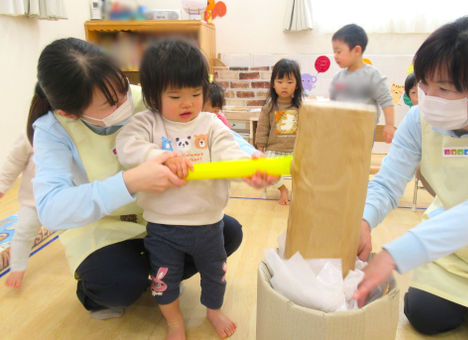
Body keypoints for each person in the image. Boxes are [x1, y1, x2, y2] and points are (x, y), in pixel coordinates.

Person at [28, 38, 262, 320]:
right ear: (69, 113)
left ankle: (161, 278)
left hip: (164, 216)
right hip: (104, 230)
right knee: (116, 284)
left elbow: (214, 132)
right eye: (110, 102)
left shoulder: (153, 95)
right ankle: (125, 284)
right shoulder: (52, 129)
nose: (125, 102)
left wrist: (252, 162)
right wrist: (130, 182)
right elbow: (51, 209)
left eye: (124, 87)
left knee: (228, 232)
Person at [354, 16, 468, 339]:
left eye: (444, 89)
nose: (427, 97)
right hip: (452, 251)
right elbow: (388, 180)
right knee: (424, 313)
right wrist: (364, 221)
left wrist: (396, 253)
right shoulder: (418, 120)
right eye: (424, 84)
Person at [115, 38, 276, 340]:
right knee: (164, 281)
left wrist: (248, 170)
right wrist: (159, 157)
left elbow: (230, 151)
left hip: (208, 226)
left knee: (216, 276)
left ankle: (213, 311)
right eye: (175, 96)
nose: (187, 103)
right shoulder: (146, 124)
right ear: (152, 95)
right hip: (163, 228)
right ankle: (175, 321)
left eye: (195, 93)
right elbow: (126, 147)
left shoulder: (211, 124)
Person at [330, 24, 395, 143]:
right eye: (334, 52)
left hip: (364, 131)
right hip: (340, 131)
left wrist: (389, 125)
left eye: (339, 52)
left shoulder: (372, 75)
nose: (335, 56)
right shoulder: (338, 77)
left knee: (359, 160)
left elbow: (386, 101)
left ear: (357, 50)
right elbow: (332, 104)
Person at [255, 59, 303, 205]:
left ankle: (302, 193)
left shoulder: (301, 107)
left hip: (295, 151)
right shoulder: (269, 107)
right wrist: (260, 149)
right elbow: (262, 128)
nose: (284, 86)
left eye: (290, 82)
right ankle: (282, 189)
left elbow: (307, 130)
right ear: (273, 83)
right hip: (274, 150)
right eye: (280, 81)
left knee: (311, 168)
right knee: (266, 168)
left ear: (296, 85)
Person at [0, 133, 41, 289]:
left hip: (64, 201)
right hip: (33, 201)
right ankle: (17, 268)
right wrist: (2, 186)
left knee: (76, 233)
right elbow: (13, 162)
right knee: (23, 232)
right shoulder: (29, 135)